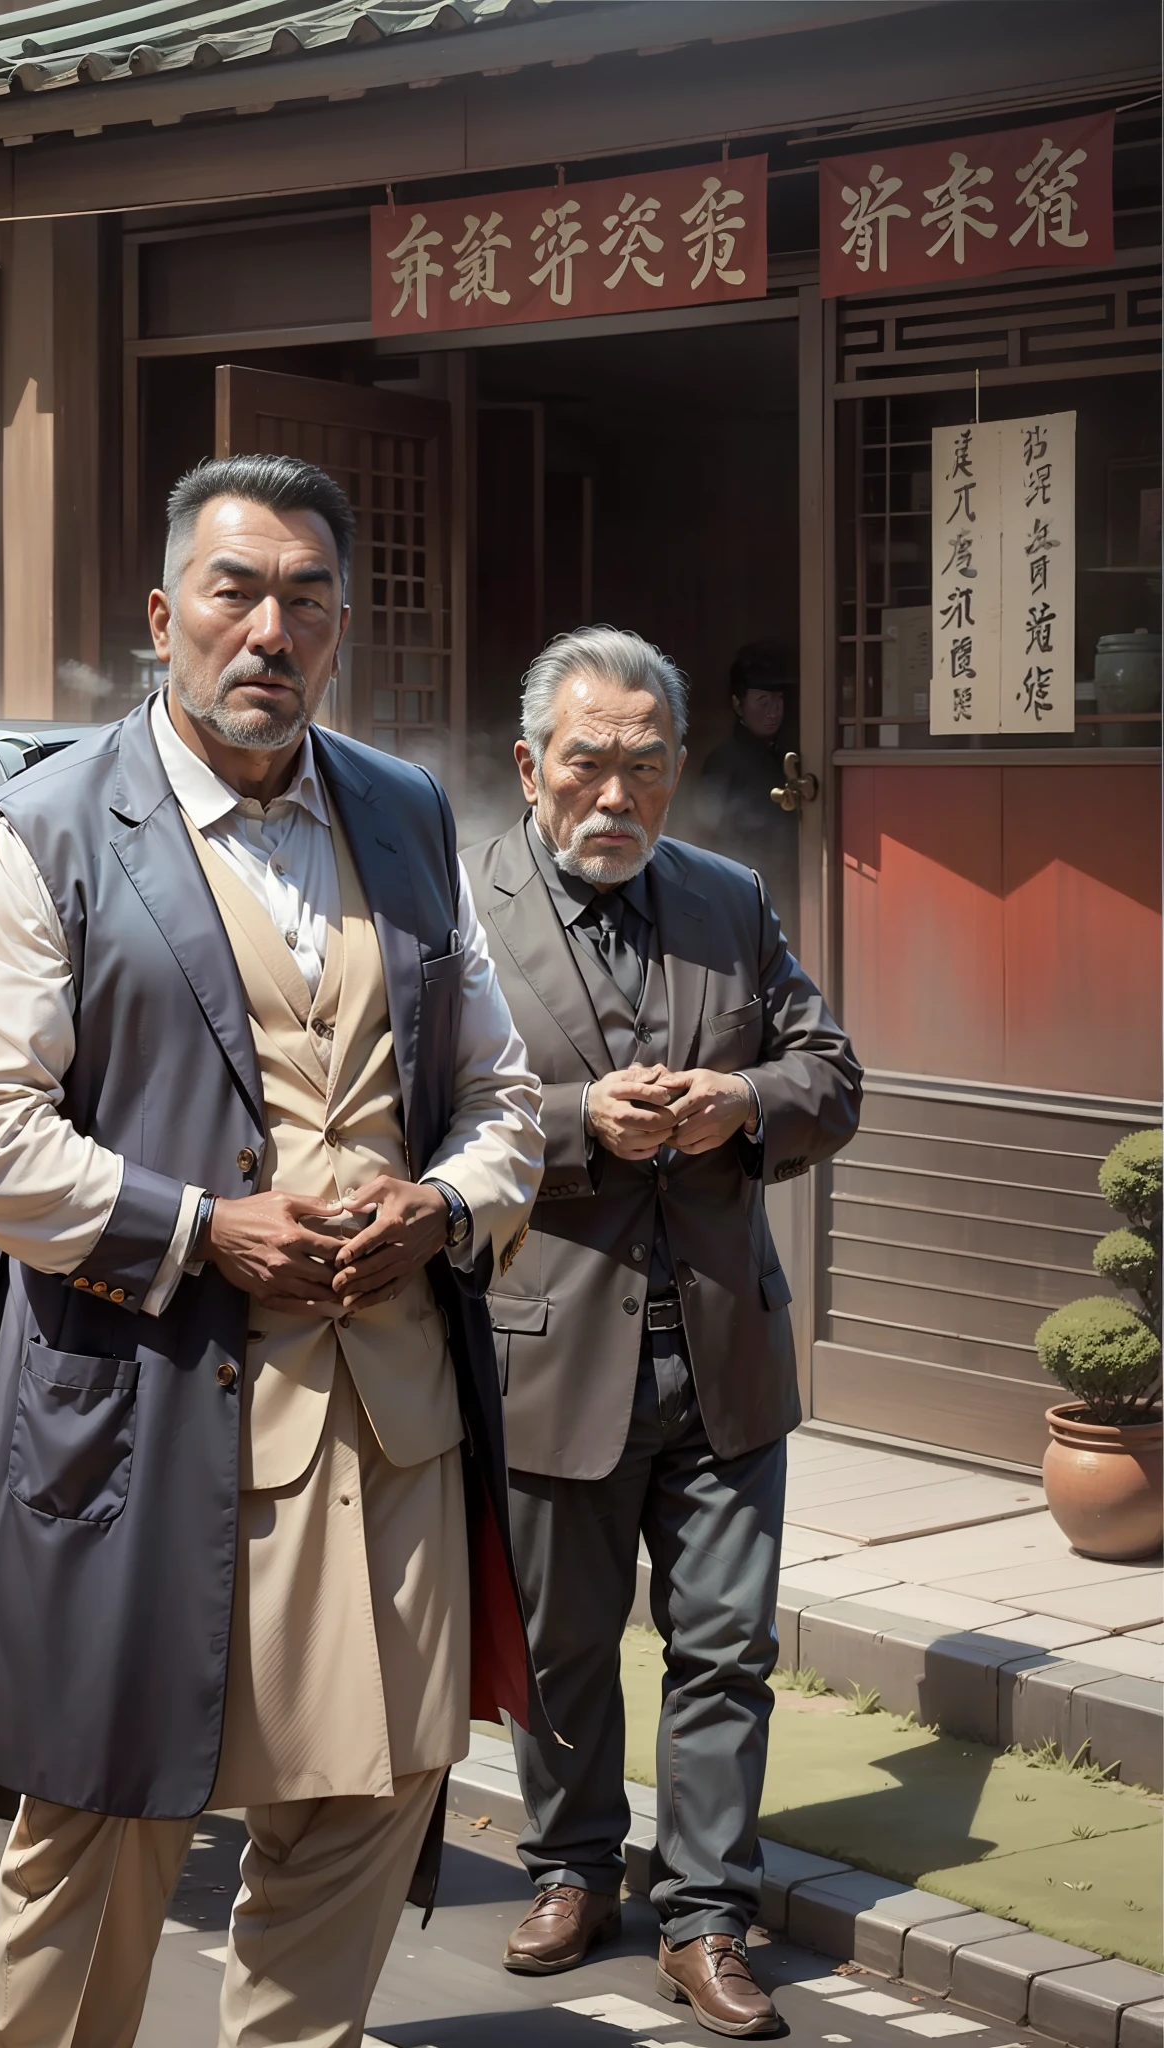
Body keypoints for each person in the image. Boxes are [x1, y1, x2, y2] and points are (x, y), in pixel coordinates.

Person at [0, 454, 546, 2048]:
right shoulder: (42, 831)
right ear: (164, 617)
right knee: (106, 1819)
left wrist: (448, 1204)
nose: (272, 629)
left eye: (308, 600)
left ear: (341, 628)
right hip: (151, 1410)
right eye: (237, 591)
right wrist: (198, 1226)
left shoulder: (403, 816)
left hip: (394, 1420)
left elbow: (508, 1091)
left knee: (381, 1792)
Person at [469, 627, 861, 2038]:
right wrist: (581, 1126)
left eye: (645, 765)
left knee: (724, 1650)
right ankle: (573, 1869)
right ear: (532, 766)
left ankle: (705, 1915)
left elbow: (831, 1072)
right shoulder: (463, 911)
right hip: (548, 1348)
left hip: (722, 1352)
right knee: (566, 1647)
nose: (616, 797)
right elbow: (418, 1124)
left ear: (677, 768)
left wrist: (741, 1102)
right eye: (588, 764)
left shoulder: (732, 900)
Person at [694, 645, 797, 914]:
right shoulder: (724, 760)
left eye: (778, 700)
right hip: (746, 880)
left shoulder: (786, 752)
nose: (773, 711)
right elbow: (707, 828)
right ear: (738, 704)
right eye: (762, 701)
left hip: (786, 875)